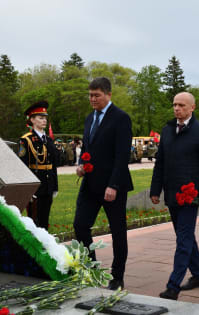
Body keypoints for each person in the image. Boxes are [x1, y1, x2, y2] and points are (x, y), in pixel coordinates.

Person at [150, 92, 199, 300]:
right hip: (172, 194)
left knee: (184, 239)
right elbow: (160, 162)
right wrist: (155, 189)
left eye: (181, 105)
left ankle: (173, 285)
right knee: (184, 236)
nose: (176, 108)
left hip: (191, 196)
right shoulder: (168, 130)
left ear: (192, 108)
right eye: (174, 105)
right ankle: (198, 275)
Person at [74, 77, 133, 291]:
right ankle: (89, 270)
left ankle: (117, 277)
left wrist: (114, 185)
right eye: (90, 95)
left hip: (113, 186)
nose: (92, 99)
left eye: (96, 95)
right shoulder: (90, 118)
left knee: (118, 231)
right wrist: (81, 164)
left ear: (108, 94)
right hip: (90, 184)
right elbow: (88, 147)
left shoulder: (121, 118)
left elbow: (122, 155)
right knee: (80, 225)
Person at [18, 101, 58, 230]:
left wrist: (55, 185)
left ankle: (45, 246)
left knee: (45, 220)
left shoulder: (48, 139)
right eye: (41, 118)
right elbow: (23, 166)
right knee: (34, 221)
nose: (44, 121)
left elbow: (53, 163)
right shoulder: (26, 140)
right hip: (36, 186)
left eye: (45, 118)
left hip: (48, 184)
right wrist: (28, 189)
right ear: (32, 120)